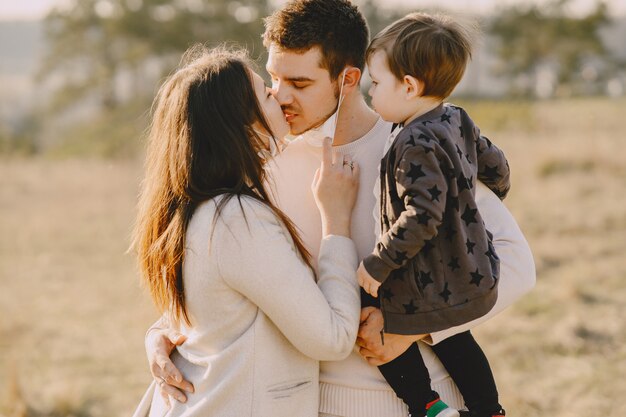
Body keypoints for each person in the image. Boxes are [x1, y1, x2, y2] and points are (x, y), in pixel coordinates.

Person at [143, 1, 536, 417]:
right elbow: (234, 278)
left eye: (299, 82)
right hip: (313, 404)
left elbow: (515, 264)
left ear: (348, 79)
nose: (280, 95)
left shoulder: (417, 145)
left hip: (426, 403)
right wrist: (164, 331)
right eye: (273, 78)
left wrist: (412, 328)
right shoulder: (267, 164)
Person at [130, 45, 364, 417]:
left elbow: (216, 310)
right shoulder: (235, 218)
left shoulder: (192, 208)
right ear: (241, 124)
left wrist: (156, 335)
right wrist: (336, 223)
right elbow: (332, 339)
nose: (280, 96)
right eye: (266, 93)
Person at [356, 12, 510, 417]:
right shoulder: (457, 118)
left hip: (426, 276)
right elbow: (496, 165)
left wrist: (378, 262)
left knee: (372, 309)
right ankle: (487, 408)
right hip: (469, 272)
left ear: (408, 86)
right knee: (456, 337)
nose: (370, 92)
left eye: (376, 83)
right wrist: (481, 201)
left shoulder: (412, 142)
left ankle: (427, 406)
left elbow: (422, 215)